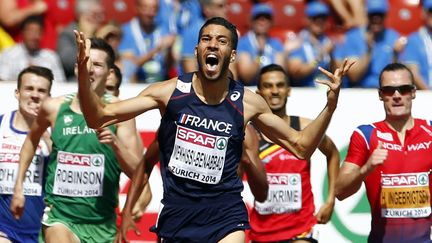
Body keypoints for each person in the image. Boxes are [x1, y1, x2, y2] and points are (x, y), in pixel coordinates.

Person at [74, 17, 353, 242]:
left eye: (221, 41)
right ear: (196, 50)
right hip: (178, 216)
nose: (212, 45)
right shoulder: (169, 92)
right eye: (206, 39)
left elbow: (302, 146)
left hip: (226, 216)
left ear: (231, 55)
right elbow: (99, 117)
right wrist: (83, 78)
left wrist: (330, 107)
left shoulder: (247, 102)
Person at [10, 38, 144, 242]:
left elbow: (138, 174)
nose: (89, 69)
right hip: (59, 217)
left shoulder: (121, 113)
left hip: (101, 224)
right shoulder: (54, 108)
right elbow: (31, 141)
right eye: (86, 62)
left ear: (109, 74)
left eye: (97, 65)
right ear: (77, 67)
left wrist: (116, 144)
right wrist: (18, 186)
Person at [335, 63, 432, 242]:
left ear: (413, 92)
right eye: (389, 90)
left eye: (403, 89)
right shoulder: (365, 135)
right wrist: (365, 170)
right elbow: (339, 192)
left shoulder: (430, 132)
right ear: (380, 95)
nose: (396, 96)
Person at [248, 64, 340, 242]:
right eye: (268, 86)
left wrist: (330, 200)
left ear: (289, 91)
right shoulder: (248, 134)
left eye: (280, 85)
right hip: (260, 232)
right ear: (258, 93)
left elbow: (333, 154)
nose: (275, 91)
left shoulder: (305, 128)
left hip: (301, 230)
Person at [0, 66, 53, 243]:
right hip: (4, 228)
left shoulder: (56, 133)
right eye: (29, 88)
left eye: (41, 91)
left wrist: (44, 133)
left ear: (49, 98)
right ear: (17, 92)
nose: (35, 95)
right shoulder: (1, 125)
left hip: (40, 231)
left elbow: (64, 174)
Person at [334, 0, 406, 88]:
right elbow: (354, 76)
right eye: (372, 15)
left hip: (386, 90)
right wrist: (369, 50)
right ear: (366, 15)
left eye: (380, 15)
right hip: (360, 90)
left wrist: (395, 55)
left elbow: (398, 77)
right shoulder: (353, 36)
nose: (376, 19)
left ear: (385, 15)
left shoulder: (393, 37)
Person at [118, 0, 176, 83]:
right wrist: (155, 50)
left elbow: (169, 66)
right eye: (146, 8)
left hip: (160, 83)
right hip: (136, 84)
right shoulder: (126, 31)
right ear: (137, 8)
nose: (150, 13)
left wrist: (170, 49)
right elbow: (129, 67)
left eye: (154, 9)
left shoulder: (163, 30)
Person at [0, 15, 66, 82]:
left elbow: (60, 84)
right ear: (22, 32)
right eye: (31, 31)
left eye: (38, 32)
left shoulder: (51, 57)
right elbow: (2, 82)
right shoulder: (8, 54)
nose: (34, 36)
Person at [286, 1, 335, 87]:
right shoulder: (298, 42)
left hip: (326, 89)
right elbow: (296, 73)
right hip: (306, 90)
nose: (319, 22)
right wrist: (320, 57)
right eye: (315, 18)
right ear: (307, 20)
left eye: (323, 18)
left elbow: (338, 72)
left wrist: (332, 55)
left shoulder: (329, 42)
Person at [236, 3, 284, 86]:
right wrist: (260, 54)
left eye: (267, 18)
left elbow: (281, 75)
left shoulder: (276, 43)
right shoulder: (243, 43)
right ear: (251, 21)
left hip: (271, 88)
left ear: (272, 22)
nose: (262, 21)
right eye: (258, 18)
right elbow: (247, 77)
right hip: (250, 89)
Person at [57, 0, 105, 81]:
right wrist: (87, 38)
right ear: (82, 15)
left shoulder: (102, 32)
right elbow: (68, 64)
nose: (102, 18)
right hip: (77, 82)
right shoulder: (68, 34)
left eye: (101, 14)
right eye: (95, 15)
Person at [399, 0, 432, 90]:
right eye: (431, 11)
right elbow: (414, 73)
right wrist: (429, 93)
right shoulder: (414, 40)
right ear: (424, 13)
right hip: (426, 94)